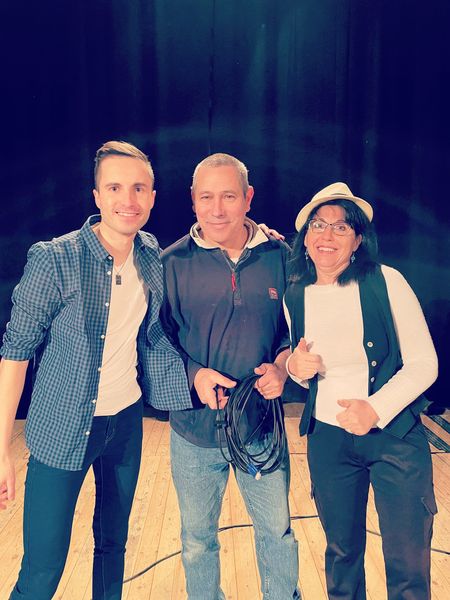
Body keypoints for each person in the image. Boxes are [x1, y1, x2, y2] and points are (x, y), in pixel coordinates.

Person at [0, 141, 192, 600]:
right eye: (115, 187)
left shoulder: (149, 251)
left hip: (124, 423)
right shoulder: (55, 258)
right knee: (43, 569)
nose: (128, 199)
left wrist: (258, 232)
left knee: (113, 546)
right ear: (97, 196)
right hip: (62, 427)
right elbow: (16, 352)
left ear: (152, 197)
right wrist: (1, 448)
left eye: (139, 188)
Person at [284, 182, 438, 600]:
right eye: (319, 225)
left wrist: (375, 408)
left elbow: (425, 363)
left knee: (408, 563)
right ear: (305, 237)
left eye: (341, 227)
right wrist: (296, 368)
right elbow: (303, 367)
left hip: (394, 438)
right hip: (328, 442)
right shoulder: (295, 293)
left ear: (357, 240)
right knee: (341, 556)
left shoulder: (386, 282)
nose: (327, 235)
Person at [161, 153, 300, 600]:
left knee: (277, 533)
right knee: (197, 540)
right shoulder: (171, 262)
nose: (217, 209)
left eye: (228, 196)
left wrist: (282, 365)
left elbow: (296, 331)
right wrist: (194, 374)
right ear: (193, 200)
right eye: (206, 197)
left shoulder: (281, 257)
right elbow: (157, 342)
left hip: (261, 430)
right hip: (193, 433)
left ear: (248, 198)